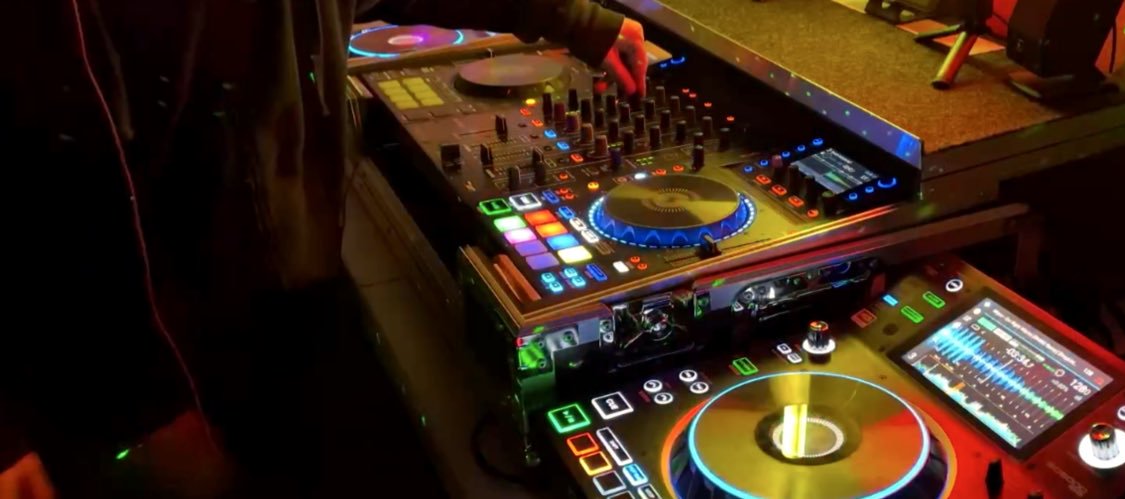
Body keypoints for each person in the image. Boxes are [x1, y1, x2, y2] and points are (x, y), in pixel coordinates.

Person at [2, 0, 648, 496]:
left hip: (286, 292)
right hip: (146, 370)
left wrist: (581, 22)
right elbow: (47, 182)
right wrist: (105, 417)